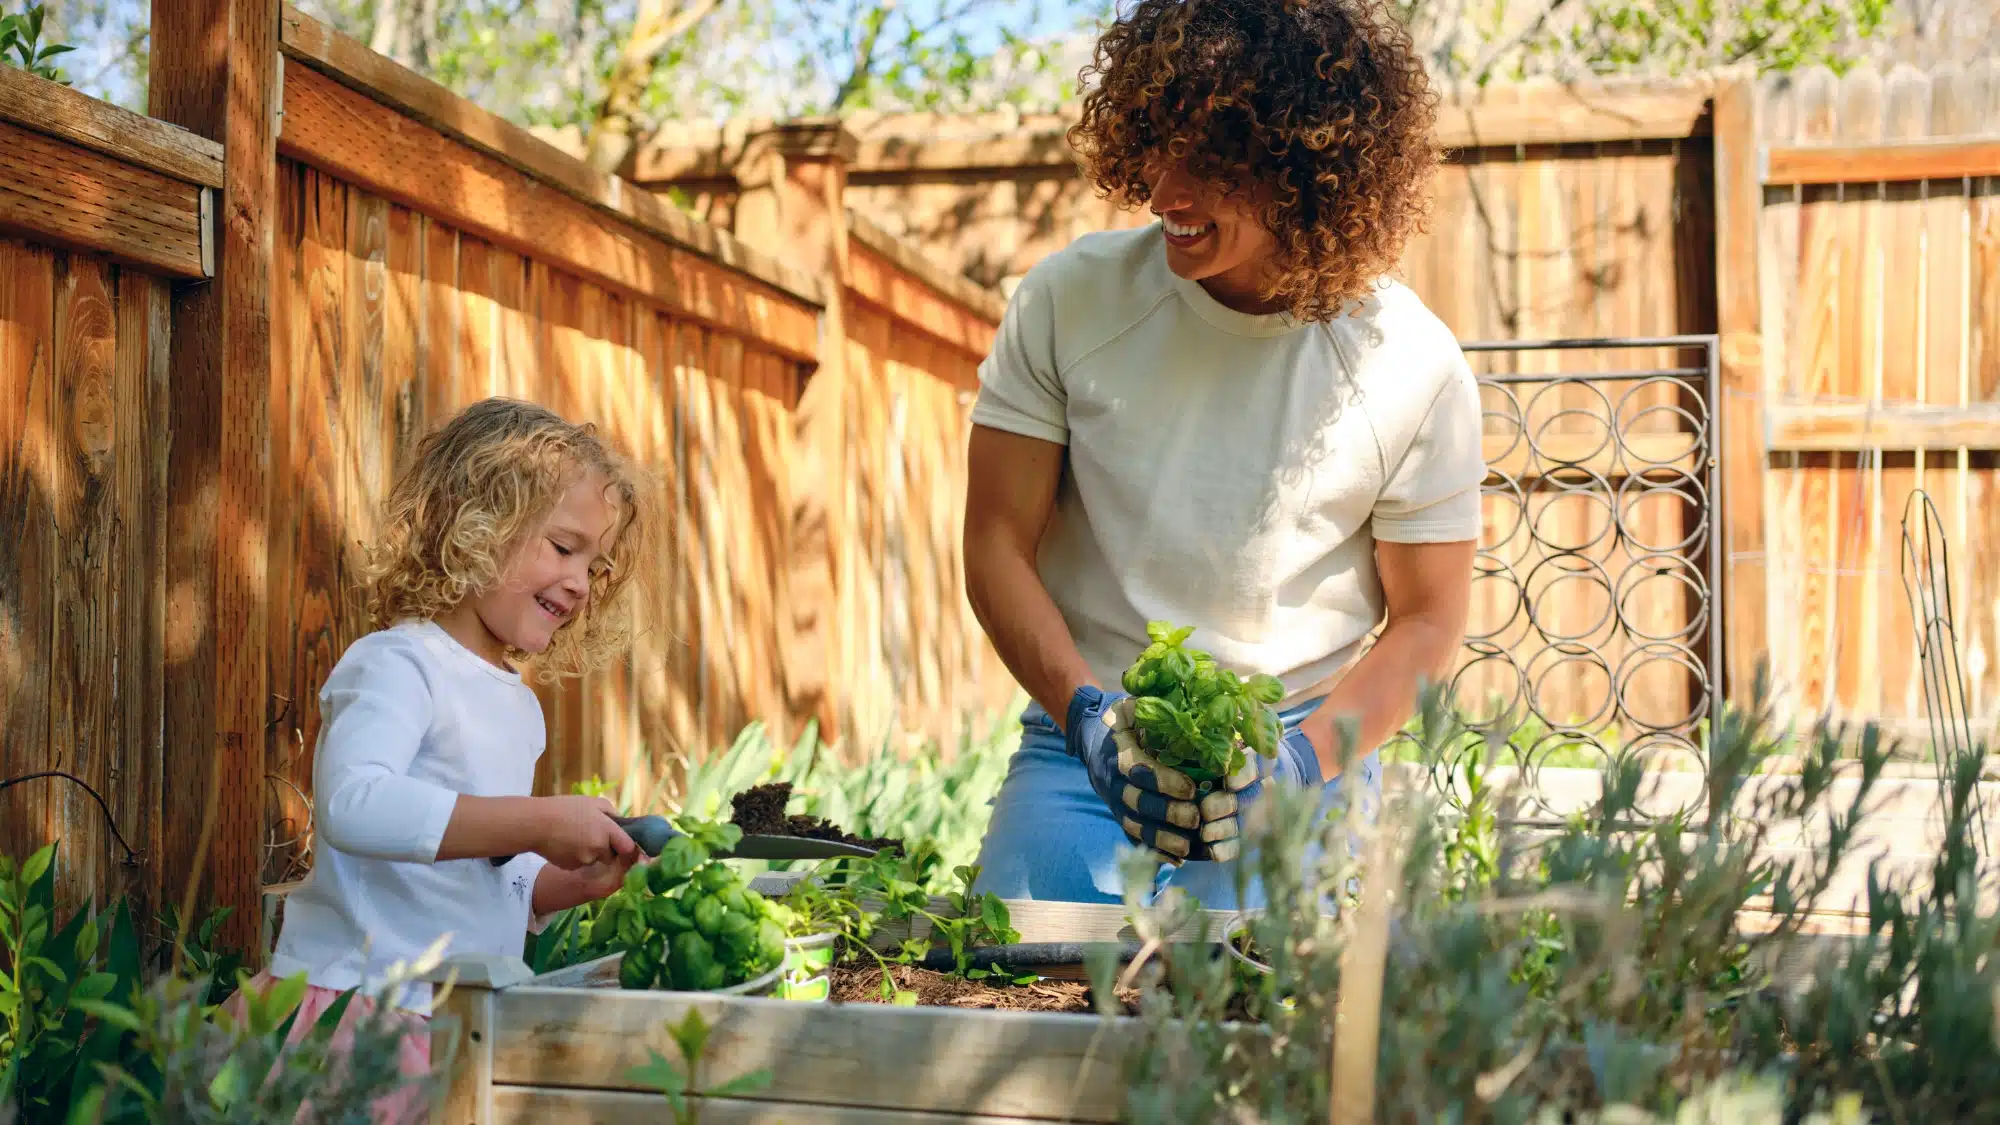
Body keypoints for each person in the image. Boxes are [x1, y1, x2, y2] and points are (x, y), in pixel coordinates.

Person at [963, 0, 1484, 911]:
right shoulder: (1067, 303)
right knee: (1015, 987)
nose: (1166, 192)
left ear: (1308, 167)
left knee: (1279, 1027)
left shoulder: (1410, 363)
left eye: (1213, 161)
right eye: (1159, 146)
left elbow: (1427, 622)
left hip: (1303, 748)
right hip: (1085, 740)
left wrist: (1296, 765)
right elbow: (995, 546)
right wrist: (1088, 721)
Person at [236, 397, 656, 1118]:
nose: (583, 581)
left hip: (456, 1019)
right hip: (364, 1013)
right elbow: (354, 805)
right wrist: (531, 820)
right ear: (476, 526)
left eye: (597, 562)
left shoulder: (516, 705)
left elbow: (485, 876)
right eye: (563, 547)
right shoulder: (399, 663)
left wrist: (565, 881)